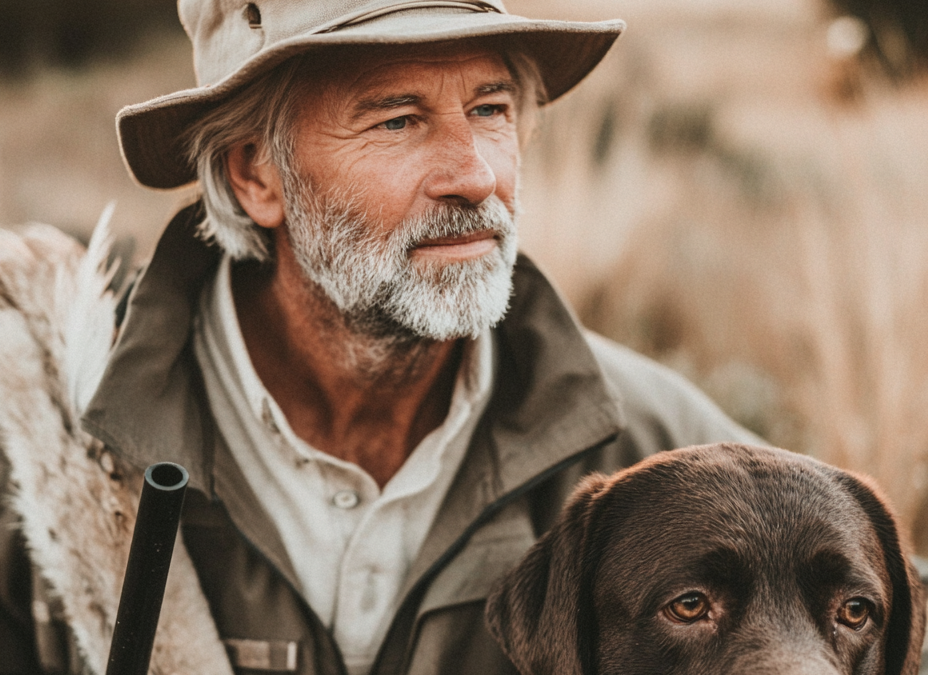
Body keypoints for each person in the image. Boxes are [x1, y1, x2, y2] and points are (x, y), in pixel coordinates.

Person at [0, 1, 759, 673]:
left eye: (491, 109)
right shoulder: (46, 461)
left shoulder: (663, 453)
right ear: (253, 176)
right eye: (397, 120)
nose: (473, 174)